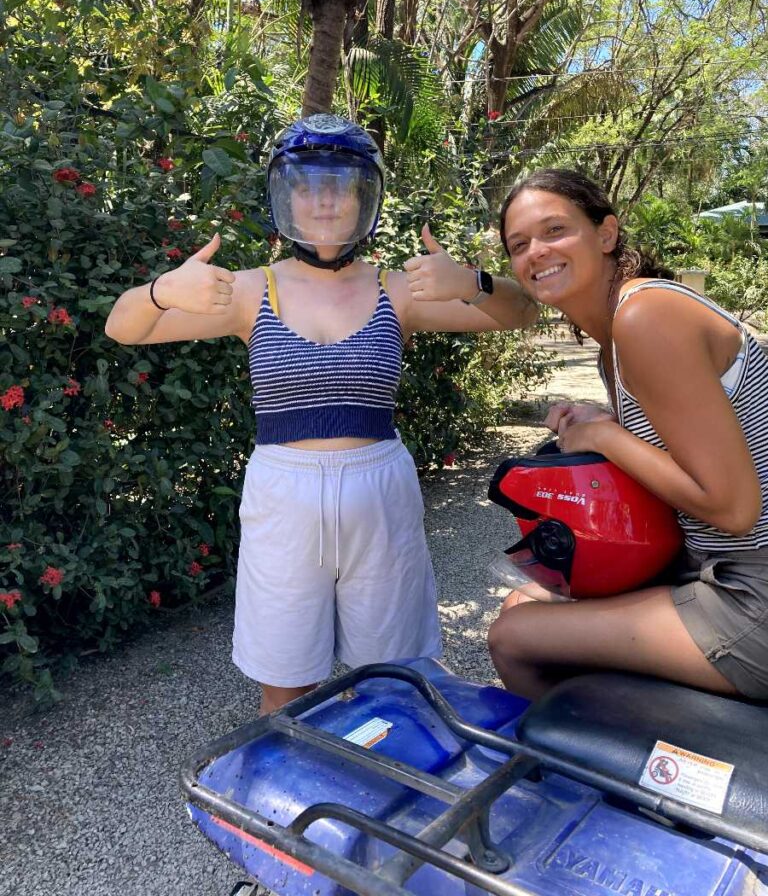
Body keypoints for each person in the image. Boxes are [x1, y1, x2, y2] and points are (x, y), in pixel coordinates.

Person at [105, 114, 538, 712]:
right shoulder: (252, 289)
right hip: (284, 494)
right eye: (308, 184)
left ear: (366, 197)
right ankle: (289, 802)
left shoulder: (399, 288)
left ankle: (387, 795)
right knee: (285, 685)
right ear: (285, 195)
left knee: (392, 680)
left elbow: (522, 314)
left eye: (341, 184)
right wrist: (161, 292)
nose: (326, 199)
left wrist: (474, 280)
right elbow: (122, 328)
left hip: (379, 488)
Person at [463, 167, 768, 701]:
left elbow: (734, 508)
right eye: (519, 243)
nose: (536, 251)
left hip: (752, 592)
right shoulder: (615, 337)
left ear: (606, 234)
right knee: (521, 604)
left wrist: (604, 440)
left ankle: (583, 782)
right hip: (712, 566)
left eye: (555, 230)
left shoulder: (645, 316)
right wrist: (603, 424)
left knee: (513, 638)